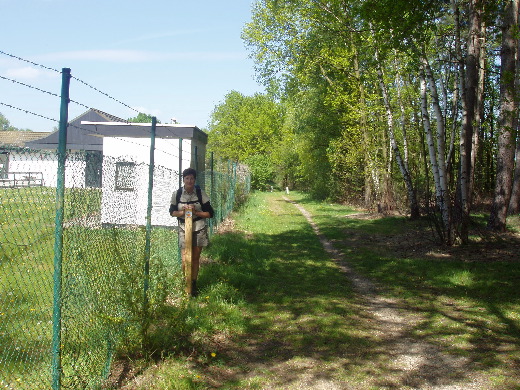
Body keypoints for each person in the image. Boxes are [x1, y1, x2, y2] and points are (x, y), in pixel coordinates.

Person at [169, 168, 214, 297]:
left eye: (192, 178)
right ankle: (186, 282)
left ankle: (193, 285)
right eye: (187, 178)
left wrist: (196, 212)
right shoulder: (177, 194)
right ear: (183, 179)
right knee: (185, 259)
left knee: (194, 258)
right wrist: (183, 212)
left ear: (194, 180)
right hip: (184, 228)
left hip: (199, 228)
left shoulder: (200, 193)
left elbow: (210, 213)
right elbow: (172, 212)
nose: (189, 181)